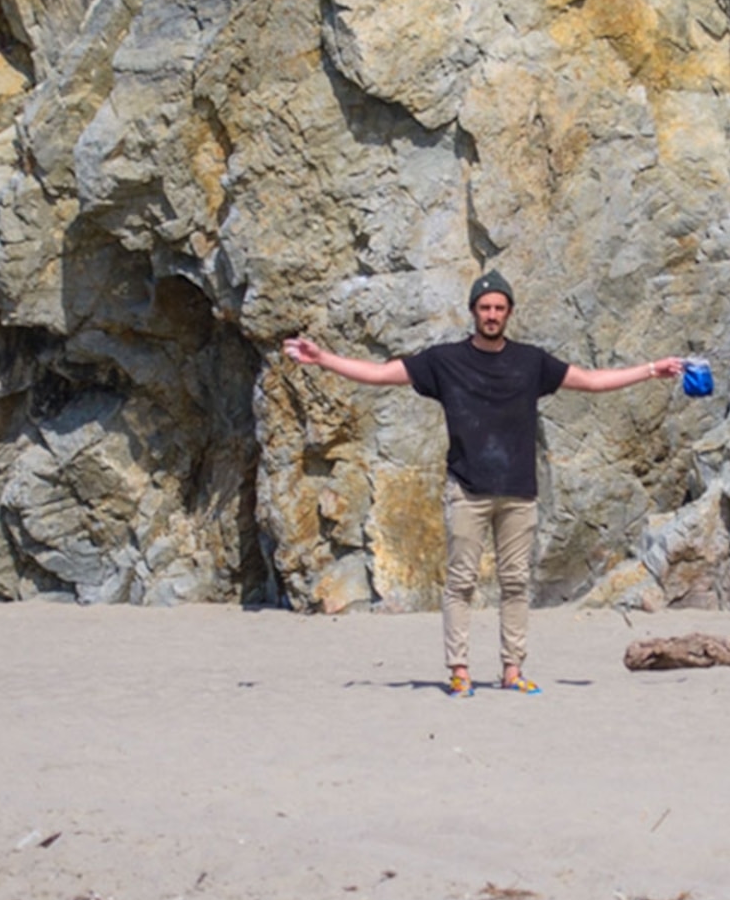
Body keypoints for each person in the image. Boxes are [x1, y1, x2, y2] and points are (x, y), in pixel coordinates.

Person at [283, 272, 680, 696]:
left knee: (515, 584)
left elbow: (591, 381)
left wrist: (652, 370)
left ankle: (513, 671)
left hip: (518, 492)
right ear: (473, 311)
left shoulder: (531, 362)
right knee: (460, 584)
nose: (492, 315)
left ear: (508, 312)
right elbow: (380, 374)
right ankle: (459, 670)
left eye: (499, 308)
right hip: (467, 489)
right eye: (485, 307)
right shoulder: (444, 361)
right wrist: (323, 358)